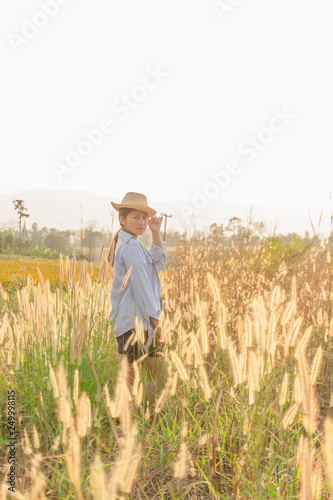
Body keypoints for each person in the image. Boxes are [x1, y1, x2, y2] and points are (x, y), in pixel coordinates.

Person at [107, 191, 169, 411]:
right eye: (136, 217)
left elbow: (158, 264)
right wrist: (156, 323)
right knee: (156, 377)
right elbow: (143, 288)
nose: (142, 222)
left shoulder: (130, 243)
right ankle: (144, 422)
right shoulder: (131, 246)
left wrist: (155, 233)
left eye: (144, 217)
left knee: (130, 377)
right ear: (122, 219)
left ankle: (127, 423)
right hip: (137, 322)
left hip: (129, 322)